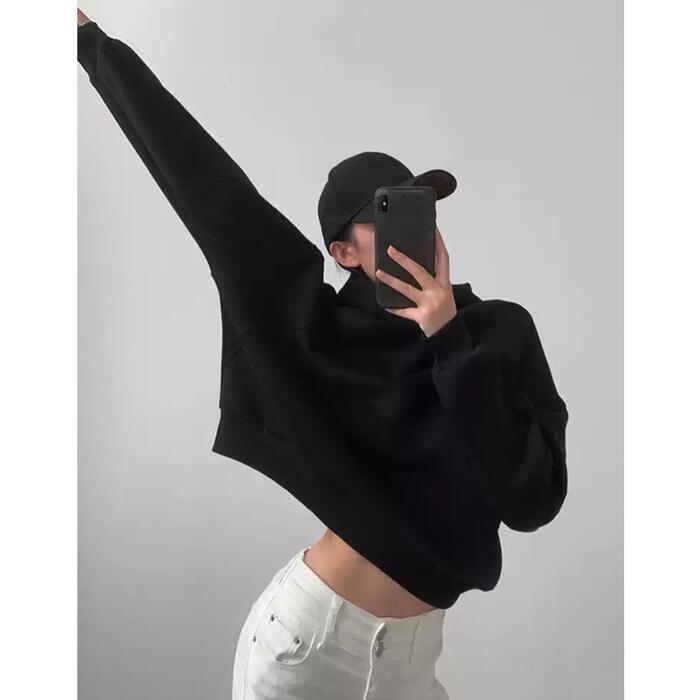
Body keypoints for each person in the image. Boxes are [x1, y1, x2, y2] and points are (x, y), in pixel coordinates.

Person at [77, 9, 569, 700]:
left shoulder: (500, 333)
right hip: (309, 646)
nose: (416, 223)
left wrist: (448, 339)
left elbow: (533, 501)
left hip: (414, 664)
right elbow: (210, 192)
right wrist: (92, 46)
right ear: (342, 251)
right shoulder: (320, 329)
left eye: (422, 205)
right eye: (386, 213)